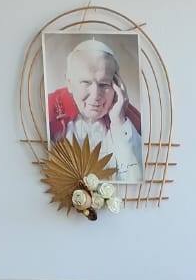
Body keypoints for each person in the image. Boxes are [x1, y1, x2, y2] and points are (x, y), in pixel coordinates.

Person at [48, 39, 143, 184]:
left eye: (104, 84)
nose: (95, 95)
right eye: (86, 82)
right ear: (69, 83)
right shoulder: (50, 111)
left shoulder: (127, 118)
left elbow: (135, 179)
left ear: (117, 85)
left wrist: (118, 122)